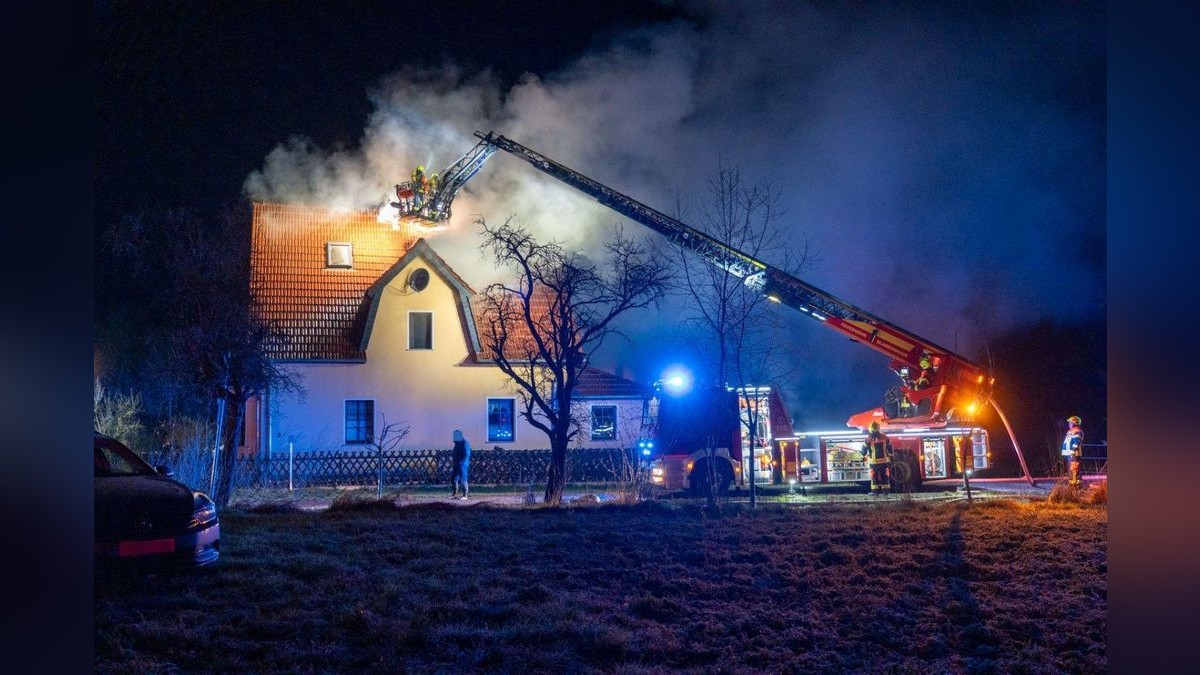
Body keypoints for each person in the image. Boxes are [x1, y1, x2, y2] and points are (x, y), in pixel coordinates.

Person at [862, 421, 893, 495]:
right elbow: (890, 448)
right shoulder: (885, 437)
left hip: (874, 462)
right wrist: (891, 456)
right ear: (878, 429)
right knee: (885, 475)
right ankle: (886, 491)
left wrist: (863, 455)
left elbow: (863, 451)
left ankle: (875, 492)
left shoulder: (868, 439)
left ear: (870, 430)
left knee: (874, 476)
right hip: (884, 461)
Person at [1062, 415, 1084, 490]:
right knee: (1071, 470)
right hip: (1070, 454)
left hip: (1074, 454)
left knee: (1074, 470)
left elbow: (1077, 441)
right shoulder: (1070, 432)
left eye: (1070, 423)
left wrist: (1074, 450)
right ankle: (1072, 486)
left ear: (1075, 423)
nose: (1069, 424)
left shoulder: (1077, 431)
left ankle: (1076, 487)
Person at [450, 429, 472, 499]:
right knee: (453, 479)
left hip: (462, 465)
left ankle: (465, 495)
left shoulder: (465, 443)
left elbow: (466, 455)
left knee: (463, 479)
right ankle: (455, 494)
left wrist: (462, 463)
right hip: (457, 464)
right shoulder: (457, 444)